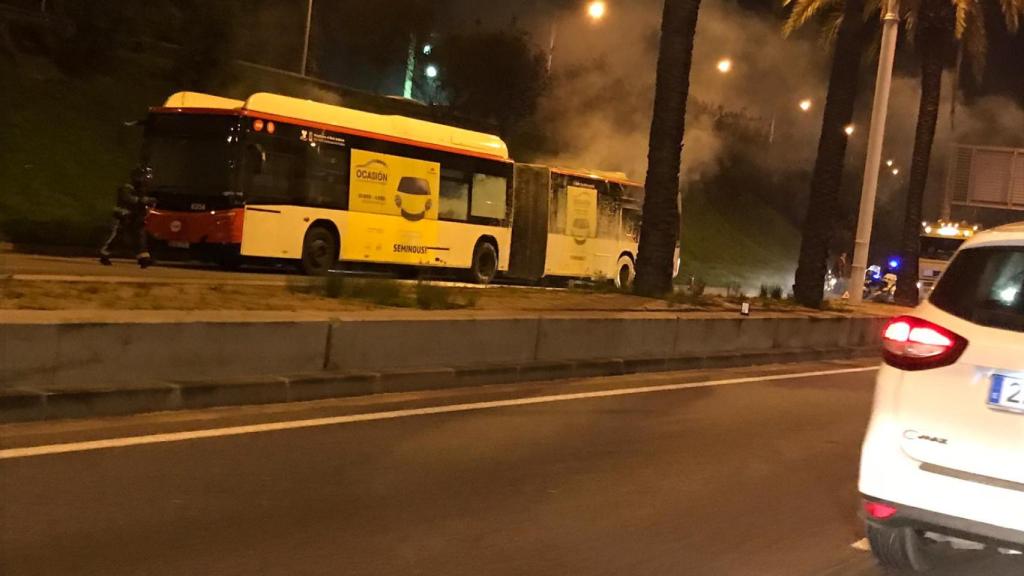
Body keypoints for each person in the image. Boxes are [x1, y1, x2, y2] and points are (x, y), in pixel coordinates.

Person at [99, 165, 156, 268]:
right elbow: (128, 198)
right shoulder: (127, 187)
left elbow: (142, 201)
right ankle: (104, 254)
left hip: (135, 217)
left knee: (140, 237)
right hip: (123, 216)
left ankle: (143, 259)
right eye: (144, 177)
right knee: (118, 237)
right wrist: (142, 200)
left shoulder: (140, 189)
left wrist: (148, 203)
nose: (145, 180)